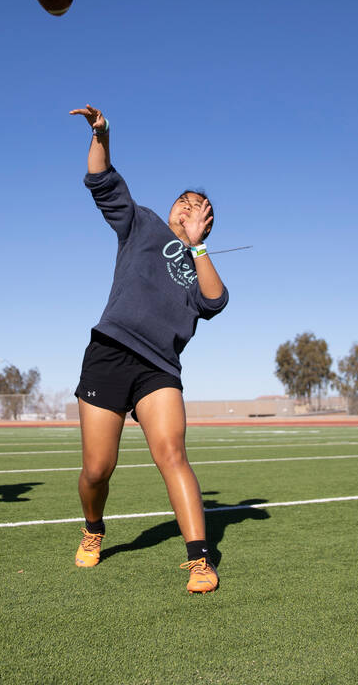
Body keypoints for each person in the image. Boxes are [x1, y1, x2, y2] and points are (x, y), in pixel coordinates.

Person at [68, 104, 229, 592]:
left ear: (207, 223)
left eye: (199, 207)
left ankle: (199, 561)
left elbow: (215, 302)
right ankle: (94, 529)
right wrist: (102, 134)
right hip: (110, 350)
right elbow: (102, 180)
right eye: (184, 200)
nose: (188, 208)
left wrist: (199, 247)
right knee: (98, 469)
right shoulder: (143, 223)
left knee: (172, 454)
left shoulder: (201, 260)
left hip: (159, 367)